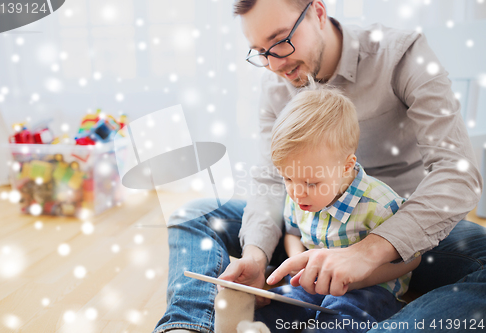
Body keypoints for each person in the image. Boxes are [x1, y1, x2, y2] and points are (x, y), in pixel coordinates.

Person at [153, 0, 485, 332]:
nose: (274, 64)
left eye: (281, 41)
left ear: (319, 13)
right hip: (313, 219)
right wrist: (255, 253)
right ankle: (189, 326)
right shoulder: (274, 83)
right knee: (193, 215)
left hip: (399, 224)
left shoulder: (402, 55)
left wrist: (368, 251)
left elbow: (458, 174)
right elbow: (270, 178)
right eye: (260, 51)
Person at [250, 85, 421, 331]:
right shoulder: (298, 193)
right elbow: (293, 232)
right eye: (287, 178)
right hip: (313, 282)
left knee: (344, 312)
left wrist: (358, 279)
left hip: (368, 289)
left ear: (345, 166)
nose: (297, 192)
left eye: (311, 183)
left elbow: (411, 259)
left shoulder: (381, 203)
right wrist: (299, 263)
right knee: (282, 303)